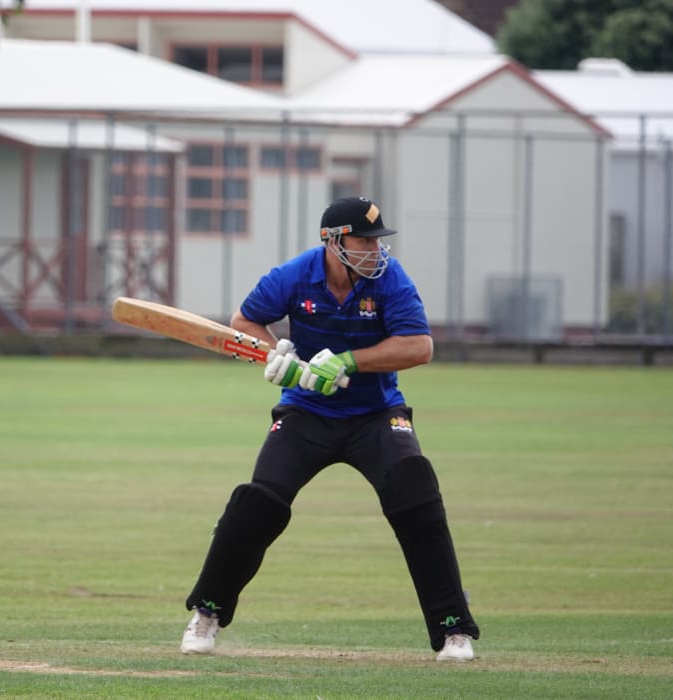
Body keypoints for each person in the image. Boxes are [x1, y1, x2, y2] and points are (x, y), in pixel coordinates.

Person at [179, 196, 480, 662]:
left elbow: (419, 346)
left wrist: (348, 362)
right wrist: (284, 362)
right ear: (333, 241)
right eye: (364, 241)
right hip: (306, 413)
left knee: (415, 491)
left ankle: (452, 629)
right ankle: (207, 613)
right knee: (258, 502)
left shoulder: (390, 279)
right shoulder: (294, 275)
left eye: (379, 242)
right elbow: (244, 322)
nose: (375, 251)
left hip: (376, 415)